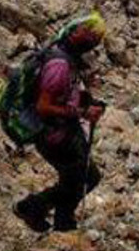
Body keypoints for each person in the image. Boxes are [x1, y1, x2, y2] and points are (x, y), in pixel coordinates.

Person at [14, 12, 108, 233]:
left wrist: (88, 102)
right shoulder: (59, 65)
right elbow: (43, 106)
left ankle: (64, 224)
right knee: (86, 178)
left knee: (74, 179)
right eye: (90, 36)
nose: (93, 43)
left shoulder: (67, 58)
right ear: (74, 33)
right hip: (55, 135)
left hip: (62, 130)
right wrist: (83, 112)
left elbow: (67, 94)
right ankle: (31, 206)